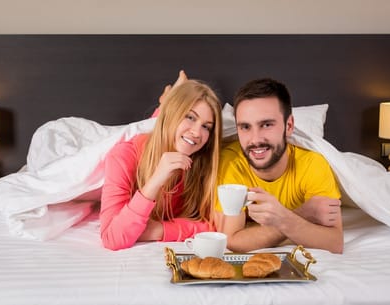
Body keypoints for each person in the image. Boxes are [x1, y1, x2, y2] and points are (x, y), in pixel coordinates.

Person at [215, 78, 343, 254]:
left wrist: (281, 218)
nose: (255, 139)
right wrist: (302, 213)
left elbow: (334, 243)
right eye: (245, 127)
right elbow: (233, 242)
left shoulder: (312, 165)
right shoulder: (231, 163)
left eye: (266, 125)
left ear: (289, 126)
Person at [100, 71, 223, 250]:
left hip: (168, 131)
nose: (197, 132)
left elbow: (215, 226)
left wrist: (159, 230)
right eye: (190, 117)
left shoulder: (203, 161)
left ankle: (170, 100)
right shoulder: (122, 156)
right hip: (144, 145)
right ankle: (167, 102)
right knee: (162, 129)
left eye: (206, 126)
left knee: (171, 133)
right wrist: (155, 181)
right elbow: (112, 238)